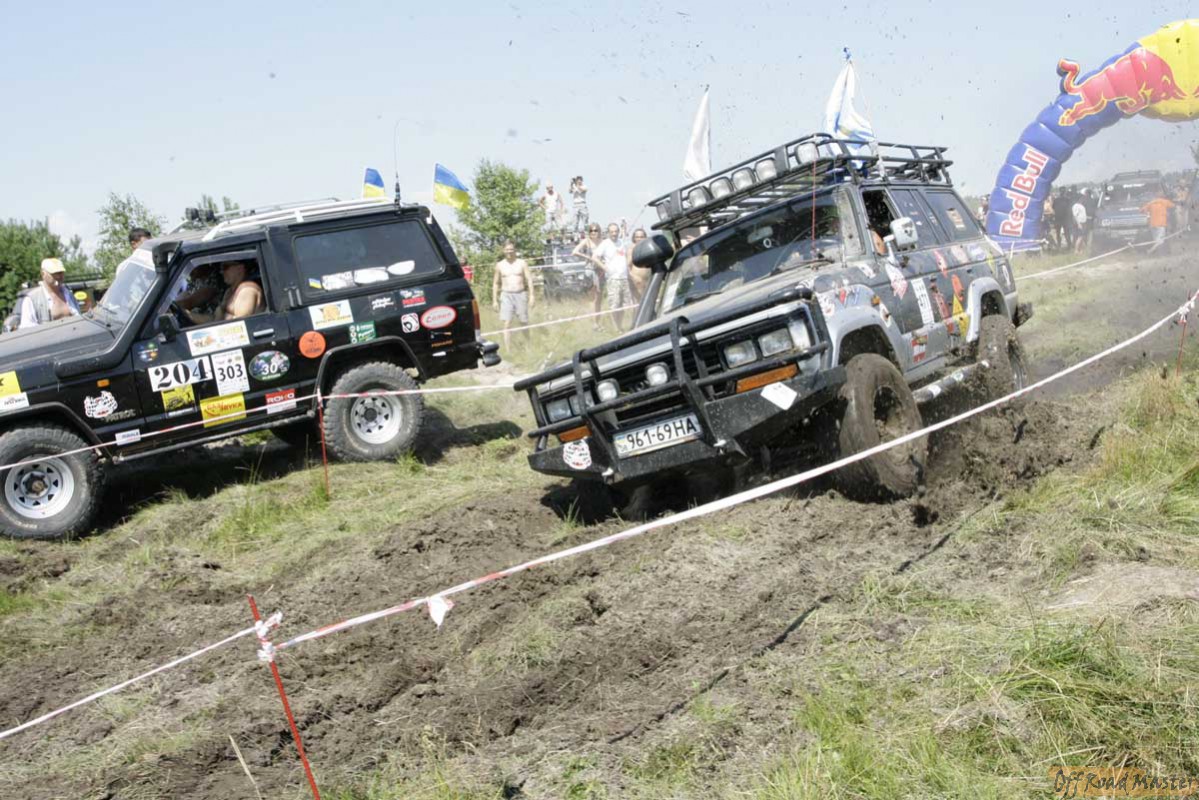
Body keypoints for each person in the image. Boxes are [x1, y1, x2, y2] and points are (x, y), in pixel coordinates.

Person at [185, 261, 263, 323]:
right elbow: (216, 320)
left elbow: (241, 326)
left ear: (240, 268)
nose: (221, 272)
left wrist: (221, 314)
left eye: (225, 267)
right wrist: (188, 315)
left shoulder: (247, 290)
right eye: (221, 268)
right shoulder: (229, 292)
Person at [491, 241, 535, 350]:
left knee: (523, 321)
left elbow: (529, 280)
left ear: (515, 250)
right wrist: (494, 300)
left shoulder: (522, 263)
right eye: (507, 250)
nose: (509, 252)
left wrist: (532, 296)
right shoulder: (500, 265)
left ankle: (528, 346)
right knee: (507, 323)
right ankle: (508, 350)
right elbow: (496, 283)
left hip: (520, 294)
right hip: (506, 295)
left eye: (511, 249)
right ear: (503, 251)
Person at [18, 258, 80, 329]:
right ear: (43, 274)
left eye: (61, 272)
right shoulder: (31, 299)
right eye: (54, 273)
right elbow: (27, 328)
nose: (58, 276)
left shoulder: (69, 294)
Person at [593, 223, 632, 332]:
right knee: (614, 304)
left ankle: (620, 326)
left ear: (618, 232)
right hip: (613, 278)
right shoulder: (605, 243)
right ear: (608, 233)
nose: (614, 234)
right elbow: (595, 257)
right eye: (612, 232)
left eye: (616, 231)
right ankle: (616, 328)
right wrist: (605, 267)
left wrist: (627, 266)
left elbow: (627, 255)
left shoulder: (622, 242)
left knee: (623, 304)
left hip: (624, 277)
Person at [572, 223, 606, 328]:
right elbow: (574, 251)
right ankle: (594, 323)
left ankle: (598, 321)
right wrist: (587, 257)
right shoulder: (586, 241)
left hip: (600, 271)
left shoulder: (603, 242)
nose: (593, 232)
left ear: (599, 231)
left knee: (599, 298)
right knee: (593, 298)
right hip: (590, 271)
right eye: (591, 230)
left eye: (596, 230)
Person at [627, 228, 651, 301]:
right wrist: (634, 277)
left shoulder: (647, 247)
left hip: (647, 280)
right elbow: (627, 266)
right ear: (634, 238)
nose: (639, 239)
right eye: (637, 237)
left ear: (645, 237)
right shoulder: (632, 249)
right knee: (640, 302)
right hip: (637, 282)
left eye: (641, 237)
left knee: (649, 299)